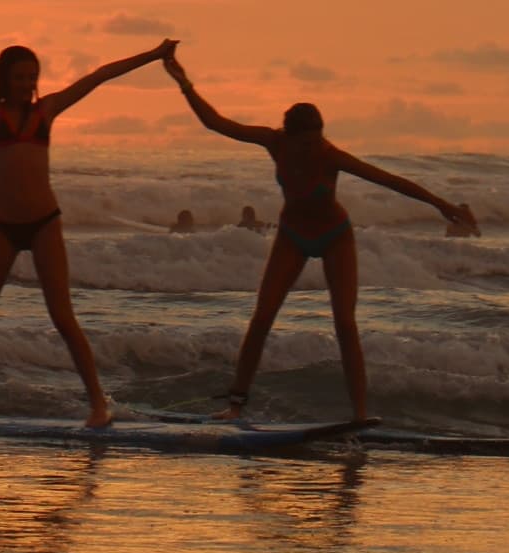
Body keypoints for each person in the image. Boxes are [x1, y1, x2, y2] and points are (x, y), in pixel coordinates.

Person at [163, 53, 479, 425]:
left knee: (345, 323)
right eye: (307, 143)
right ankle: (235, 406)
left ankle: (360, 415)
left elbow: (389, 180)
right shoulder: (274, 143)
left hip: (334, 237)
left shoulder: (331, 156)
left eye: (318, 141)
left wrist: (441, 205)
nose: (314, 148)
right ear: (290, 136)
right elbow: (215, 123)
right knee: (262, 317)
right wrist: (183, 82)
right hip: (293, 236)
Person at [0, 0, 175, 428]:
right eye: (18, 77)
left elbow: (100, 76)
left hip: (44, 223)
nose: (26, 84)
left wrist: (154, 53)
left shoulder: (48, 111)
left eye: (32, 77)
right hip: (2, 225)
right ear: (5, 80)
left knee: (62, 317)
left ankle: (98, 404)